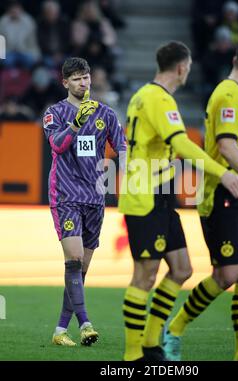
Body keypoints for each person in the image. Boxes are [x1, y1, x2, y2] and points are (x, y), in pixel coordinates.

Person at [118, 41, 238, 361]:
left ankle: (151, 342)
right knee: (145, 275)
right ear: (181, 67)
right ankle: (133, 356)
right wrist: (224, 173)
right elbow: (182, 144)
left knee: (181, 268)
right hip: (145, 196)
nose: (188, 71)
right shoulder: (160, 100)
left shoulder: (142, 96)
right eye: (188, 66)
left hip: (159, 194)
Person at [163, 39, 238, 361]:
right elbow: (227, 145)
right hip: (224, 193)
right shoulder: (229, 94)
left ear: (235, 59)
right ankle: (174, 328)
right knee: (227, 274)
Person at [43, 57, 126, 346]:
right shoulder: (55, 113)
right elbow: (57, 145)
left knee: (81, 269)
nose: (84, 82)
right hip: (65, 194)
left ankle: (59, 331)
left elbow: (122, 146)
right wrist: (76, 124)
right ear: (65, 82)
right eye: (77, 78)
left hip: (94, 197)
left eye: (86, 77)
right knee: (74, 260)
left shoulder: (106, 114)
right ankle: (86, 324)